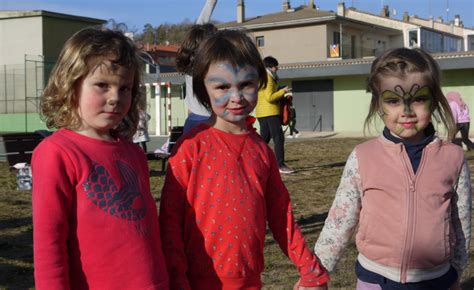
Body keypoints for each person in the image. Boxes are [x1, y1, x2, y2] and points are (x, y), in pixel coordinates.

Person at [159, 29, 329, 290]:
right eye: (223, 87)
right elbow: (169, 222)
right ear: (204, 89)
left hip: (250, 281)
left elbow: (280, 214)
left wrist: (309, 267)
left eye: (246, 85)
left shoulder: (262, 151)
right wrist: (177, 280)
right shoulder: (189, 149)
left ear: (258, 83)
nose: (236, 97)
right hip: (197, 282)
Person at [314, 47, 471, 290]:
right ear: (378, 104)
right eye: (393, 101)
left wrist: (456, 272)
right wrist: (317, 272)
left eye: (419, 99)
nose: (407, 111)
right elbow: (340, 219)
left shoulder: (453, 157)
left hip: (438, 280)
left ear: (434, 100)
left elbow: (461, 221)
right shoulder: (363, 157)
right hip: (375, 280)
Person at [31, 28, 169, 289]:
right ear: (71, 85)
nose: (115, 97)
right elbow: (49, 242)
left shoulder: (132, 152)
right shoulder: (57, 153)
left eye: (125, 88)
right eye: (102, 85)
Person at [176, 0, 217, 134]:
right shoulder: (210, 67)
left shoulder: (190, 63)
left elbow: (199, 29)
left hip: (193, 119)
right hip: (208, 121)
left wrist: (210, 3)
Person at [256, 56, 294, 174]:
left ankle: (254, 161)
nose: (277, 69)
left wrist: (279, 89)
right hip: (270, 112)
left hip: (262, 112)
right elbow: (270, 97)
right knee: (278, 138)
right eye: (276, 66)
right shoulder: (268, 78)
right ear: (270, 67)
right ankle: (280, 165)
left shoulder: (261, 77)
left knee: (264, 139)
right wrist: (283, 91)